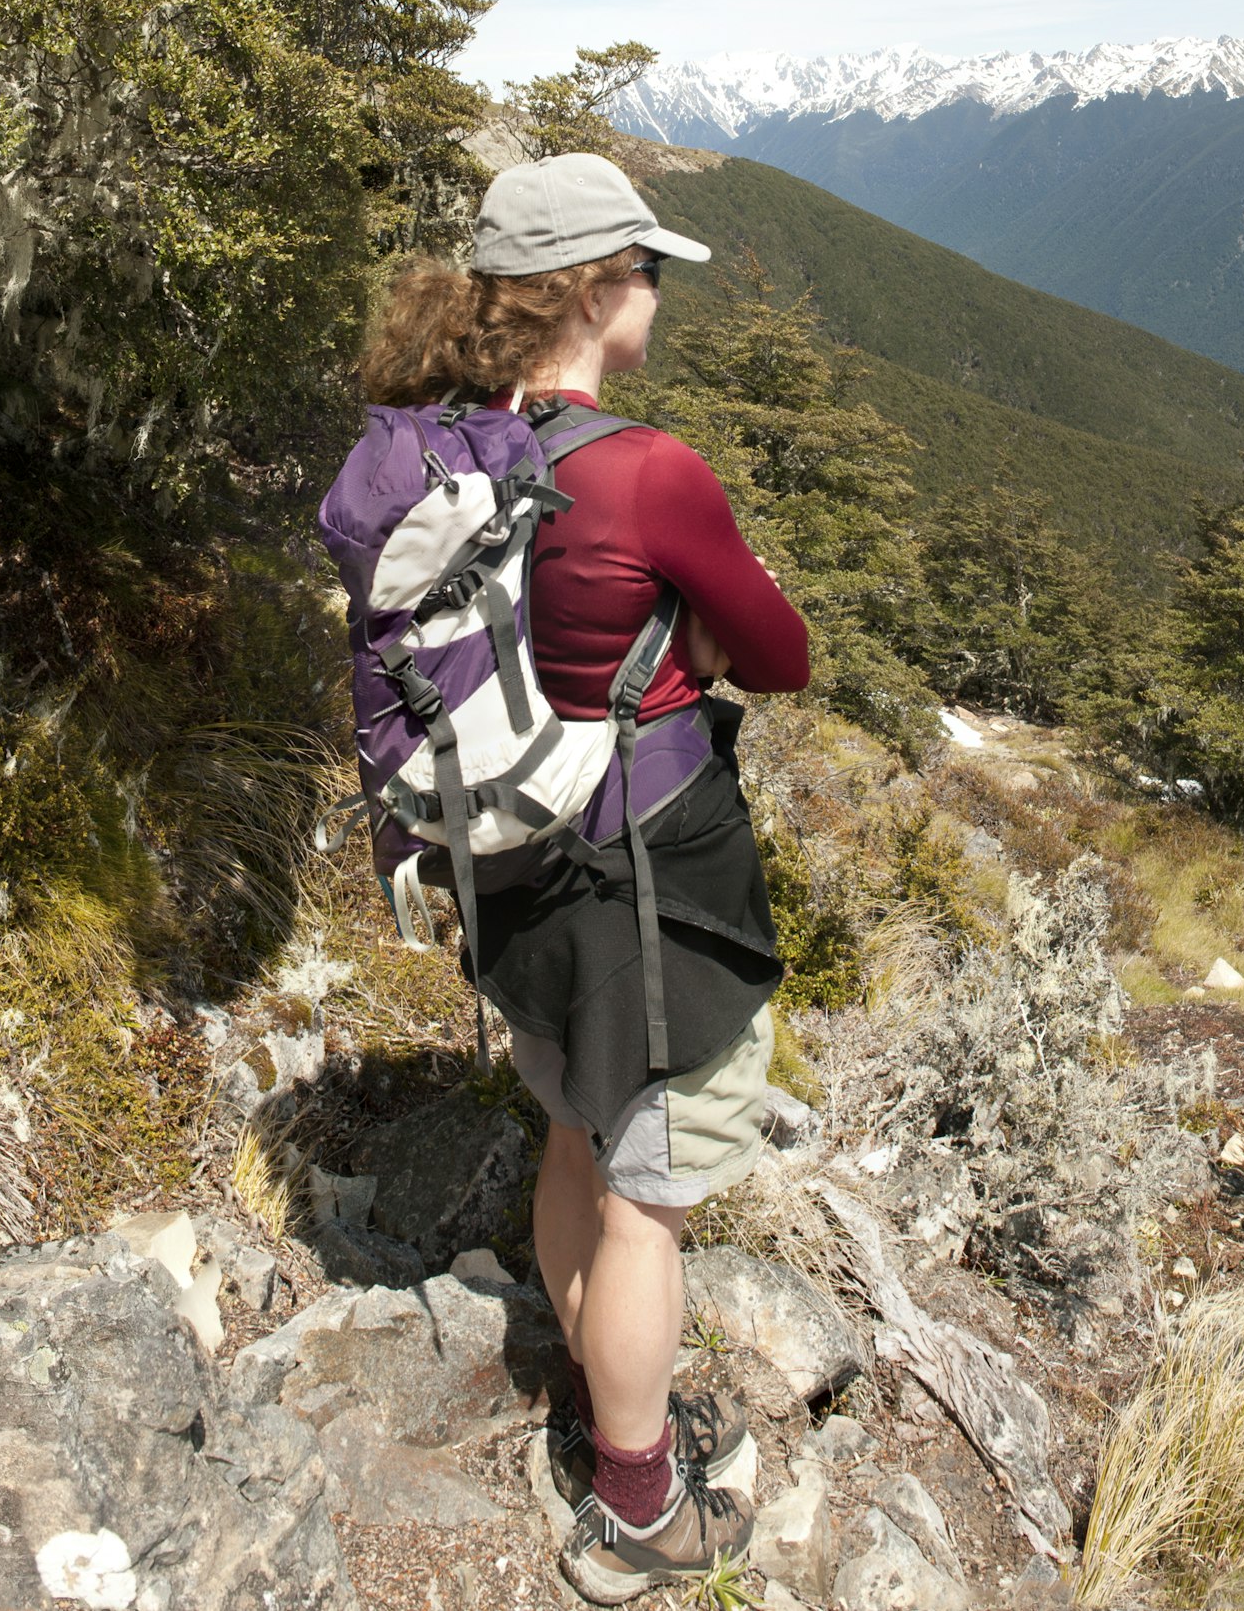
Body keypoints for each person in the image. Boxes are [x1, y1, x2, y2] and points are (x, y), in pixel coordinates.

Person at [353, 152, 812, 1601]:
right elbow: (785, 653)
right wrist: (702, 636)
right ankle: (636, 1506)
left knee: (575, 1131)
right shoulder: (645, 470)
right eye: (650, 271)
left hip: (518, 875)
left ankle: (604, 1387)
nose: (659, 294)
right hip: (653, 882)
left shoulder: (442, 457)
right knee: (650, 1196)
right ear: (599, 289)